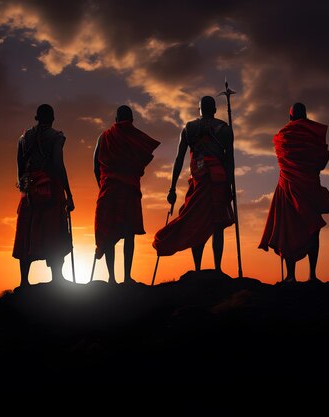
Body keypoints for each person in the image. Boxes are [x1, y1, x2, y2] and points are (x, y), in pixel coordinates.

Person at [153, 96, 234, 272]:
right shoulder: (224, 129)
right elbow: (230, 161)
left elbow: (179, 159)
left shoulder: (189, 128)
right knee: (217, 224)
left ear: (199, 110)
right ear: (214, 110)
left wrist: (172, 188)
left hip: (200, 180)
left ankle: (198, 269)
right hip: (216, 181)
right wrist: (231, 185)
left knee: (195, 222)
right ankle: (217, 269)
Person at [259, 103, 329, 283]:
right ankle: (312, 275)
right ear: (305, 116)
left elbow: (282, 161)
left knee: (288, 230)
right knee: (313, 228)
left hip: (287, 188)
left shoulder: (282, 136)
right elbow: (322, 161)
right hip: (309, 187)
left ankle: (290, 276)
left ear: (290, 117)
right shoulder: (313, 134)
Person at [94, 105, 160, 284]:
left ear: (115, 119)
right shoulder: (135, 136)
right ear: (131, 119)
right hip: (129, 189)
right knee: (128, 232)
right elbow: (144, 156)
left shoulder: (104, 137)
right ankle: (127, 277)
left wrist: (102, 185)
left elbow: (95, 165)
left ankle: (112, 278)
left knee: (108, 231)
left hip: (109, 189)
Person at [13, 104, 75, 288]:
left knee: (27, 233)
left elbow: (20, 168)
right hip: (52, 190)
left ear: (36, 117)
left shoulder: (23, 138)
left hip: (29, 191)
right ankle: (57, 278)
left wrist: (26, 190)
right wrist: (69, 194)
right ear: (53, 118)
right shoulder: (56, 137)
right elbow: (58, 164)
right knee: (54, 231)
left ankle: (24, 281)